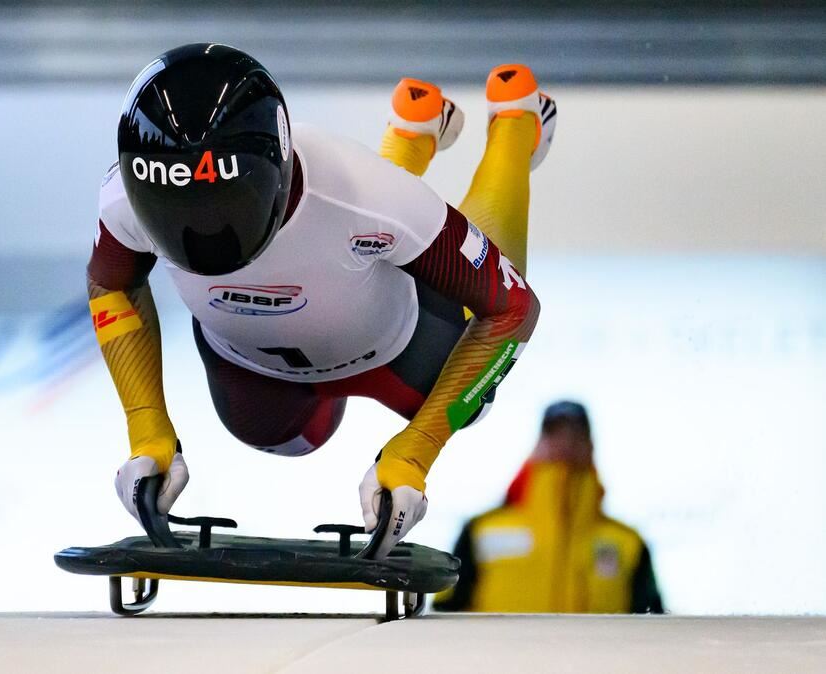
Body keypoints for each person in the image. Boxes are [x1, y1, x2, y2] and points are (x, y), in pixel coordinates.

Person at [88, 43, 553, 558]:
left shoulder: (368, 197)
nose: (207, 239)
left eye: (228, 208)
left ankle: (514, 126)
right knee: (282, 439)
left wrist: (418, 452)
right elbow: (112, 283)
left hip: (400, 340)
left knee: (472, 401)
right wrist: (146, 425)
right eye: (174, 216)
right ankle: (413, 136)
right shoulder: (120, 201)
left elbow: (512, 307)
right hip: (259, 363)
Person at [433, 401, 665, 613]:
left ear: (590, 446)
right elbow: (446, 608)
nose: (566, 442)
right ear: (538, 444)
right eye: (554, 433)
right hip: (499, 658)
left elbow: (653, 624)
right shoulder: (481, 531)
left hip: (598, 659)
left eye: (577, 434)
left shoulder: (628, 543)